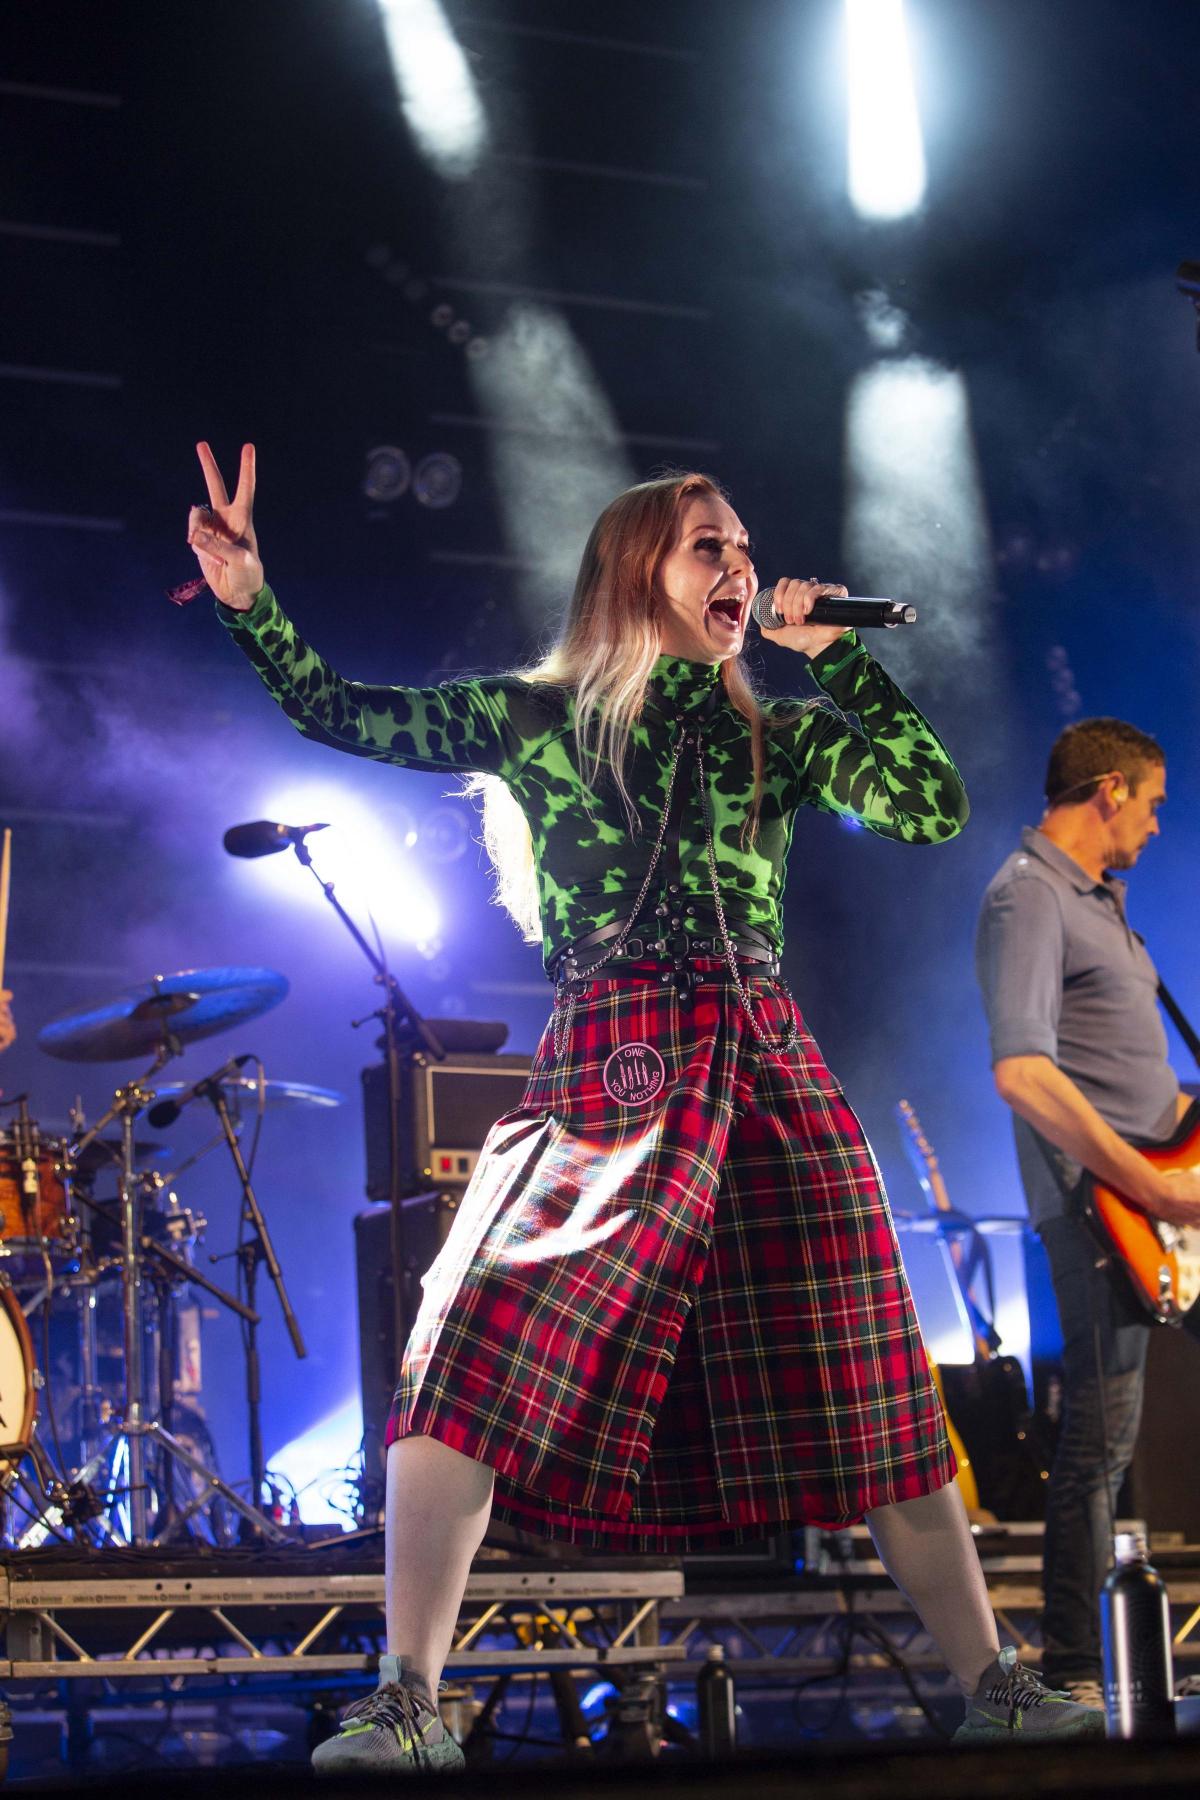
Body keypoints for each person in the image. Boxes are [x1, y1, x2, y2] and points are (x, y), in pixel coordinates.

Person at [188, 441, 1100, 1770]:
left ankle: (993, 1683)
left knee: (875, 1373)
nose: (738, 567)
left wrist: (837, 656)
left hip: (764, 1050)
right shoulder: (538, 717)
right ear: (638, 573)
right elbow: (343, 710)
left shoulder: (769, 734)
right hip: (613, 1052)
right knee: (467, 1351)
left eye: (741, 547)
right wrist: (250, 603)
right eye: (709, 547)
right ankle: (409, 1699)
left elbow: (930, 804)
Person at [976, 718, 1200, 1705]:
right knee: (1099, 1441)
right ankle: (1069, 1667)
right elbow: (1024, 1073)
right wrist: (1152, 1186)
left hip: (1160, 1197)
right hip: (1105, 1210)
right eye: (1152, 802)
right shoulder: (1026, 895)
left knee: (1109, 1438)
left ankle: (1079, 1662)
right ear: (1110, 790)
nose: (1157, 825)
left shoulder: (1102, 905)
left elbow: (1135, 1081)